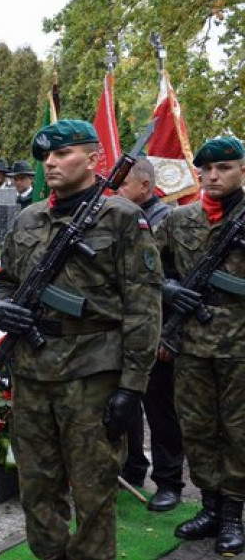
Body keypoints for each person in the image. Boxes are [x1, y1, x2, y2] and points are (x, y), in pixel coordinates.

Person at [0, 119, 162, 560]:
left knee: (93, 487)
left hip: (93, 373)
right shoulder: (29, 219)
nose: (51, 163)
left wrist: (132, 386)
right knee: (37, 483)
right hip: (34, 372)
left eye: (63, 154)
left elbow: (144, 308)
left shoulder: (124, 219)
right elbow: (6, 283)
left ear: (94, 157)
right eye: (46, 157)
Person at [155, 136, 245, 556]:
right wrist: (170, 289)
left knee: (239, 431)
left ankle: (232, 515)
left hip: (239, 346)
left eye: (224, 168)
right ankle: (209, 506)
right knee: (198, 428)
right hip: (191, 344)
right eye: (206, 169)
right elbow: (145, 266)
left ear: (241, 170)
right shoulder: (179, 220)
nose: (213, 176)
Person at [115, 157, 183, 511]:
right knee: (126, 400)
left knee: (160, 409)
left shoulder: (168, 220)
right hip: (125, 328)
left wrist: (170, 336)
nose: (118, 190)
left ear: (144, 186)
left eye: (124, 184)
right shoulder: (121, 218)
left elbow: (182, 282)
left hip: (157, 329)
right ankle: (132, 465)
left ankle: (169, 481)